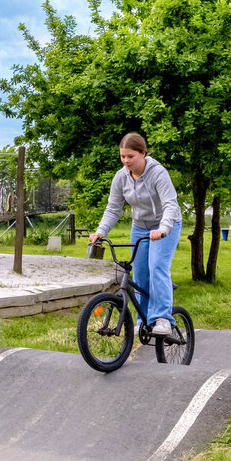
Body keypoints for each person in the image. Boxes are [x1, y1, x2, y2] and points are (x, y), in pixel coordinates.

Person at [87, 132, 183, 336]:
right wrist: (100, 231)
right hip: (139, 226)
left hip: (166, 224)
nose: (126, 161)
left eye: (130, 156)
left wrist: (164, 229)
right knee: (139, 274)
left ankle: (164, 318)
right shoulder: (121, 177)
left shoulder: (158, 173)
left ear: (143, 154)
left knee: (157, 266)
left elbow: (170, 205)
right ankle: (144, 320)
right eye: (122, 156)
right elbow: (113, 208)